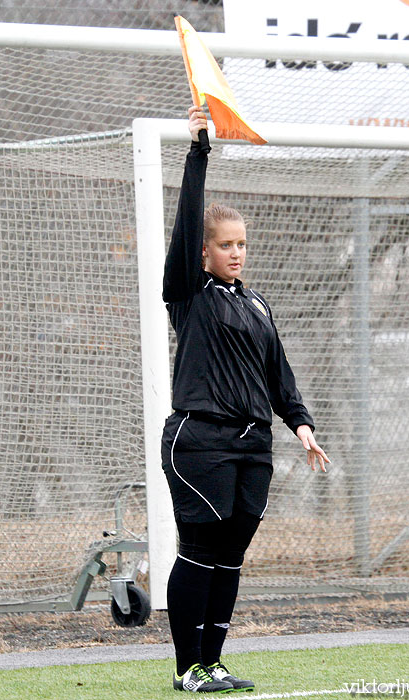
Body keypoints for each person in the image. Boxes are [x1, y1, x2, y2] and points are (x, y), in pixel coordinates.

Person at [161, 105, 330, 694]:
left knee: (230, 554)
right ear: (204, 253)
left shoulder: (256, 303)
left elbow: (278, 373)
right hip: (200, 440)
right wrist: (199, 150)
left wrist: (301, 425)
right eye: (225, 245)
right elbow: (186, 224)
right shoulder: (189, 293)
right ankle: (187, 670)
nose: (235, 253)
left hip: (253, 444)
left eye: (241, 245)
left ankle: (213, 663)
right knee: (201, 549)